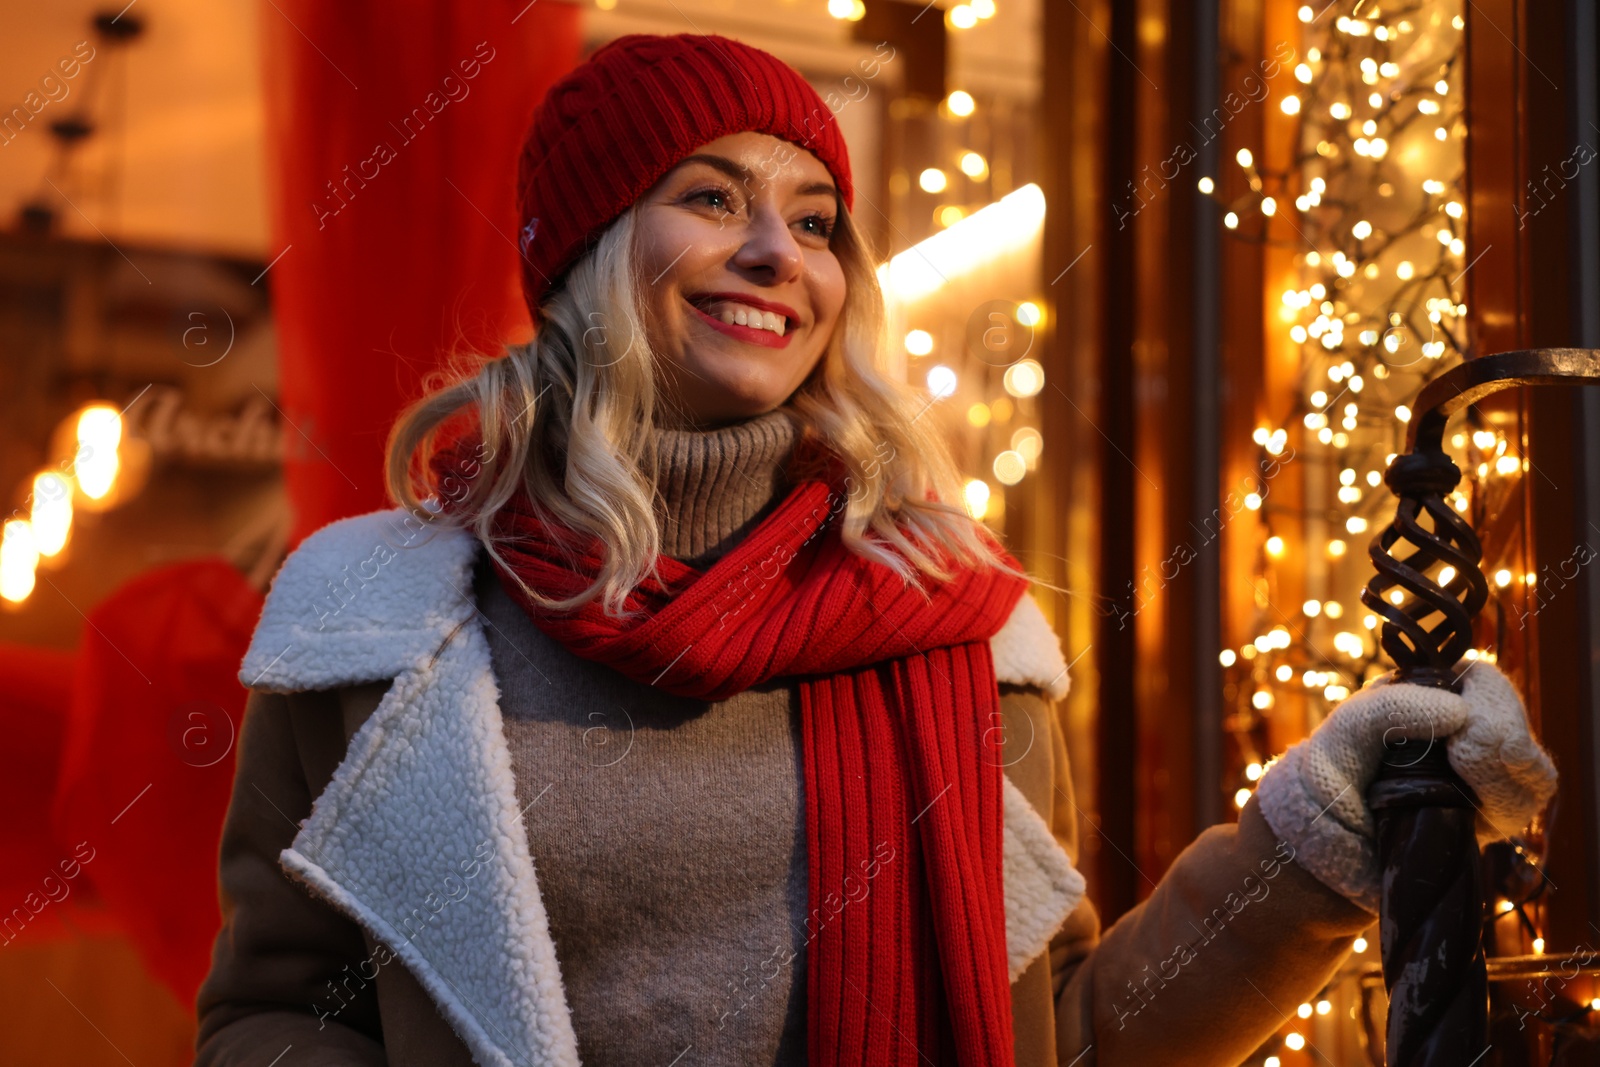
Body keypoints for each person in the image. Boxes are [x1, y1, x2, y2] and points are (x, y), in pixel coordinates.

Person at [193, 32, 1559, 1067]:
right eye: (713, 198)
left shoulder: (956, 618)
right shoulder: (381, 618)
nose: (776, 253)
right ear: (590, 252)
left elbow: (1065, 1033)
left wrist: (1317, 837)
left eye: (814, 221)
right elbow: (268, 1016)